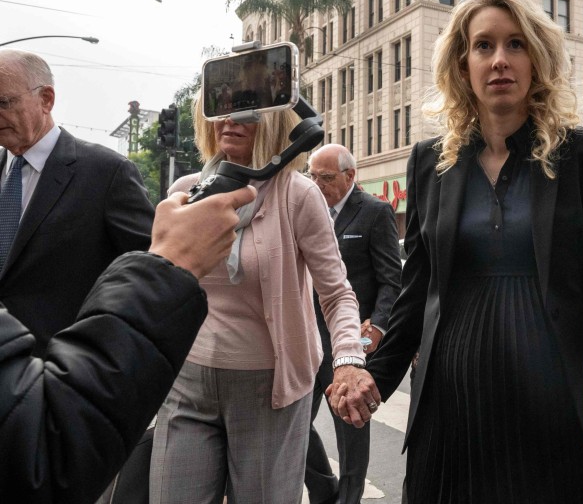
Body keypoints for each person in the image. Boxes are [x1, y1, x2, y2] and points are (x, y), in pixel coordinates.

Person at [338, 0, 583, 503]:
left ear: (537, 59)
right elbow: (418, 293)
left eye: (516, 44)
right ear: (463, 65)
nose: (499, 59)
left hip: (558, 408)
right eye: (483, 46)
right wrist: (372, 379)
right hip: (452, 413)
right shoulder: (429, 162)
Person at [149, 102, 380, 502]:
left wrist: (347, 360)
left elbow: (336, 292)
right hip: (187, 382)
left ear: (273, 119)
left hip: (271, 390)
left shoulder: (298, 194)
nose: (230, 120)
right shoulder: (184, 192)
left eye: (248, 111)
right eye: (221, 107)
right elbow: (163, 288)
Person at [0, 183, 256, 504]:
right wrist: (170, 262)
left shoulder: (106, 174)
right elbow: (42, 454)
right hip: (102, 381)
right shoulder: (183, 191)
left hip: (258, 378)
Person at [0, 50, 153, 355]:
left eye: (3, 102)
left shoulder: (107, 172)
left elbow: (148, 272)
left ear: (46, 99)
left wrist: (104, 345)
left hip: (65, 366)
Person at [304, 144, 401, 504]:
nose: (317, 184)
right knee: (293, 426)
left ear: (349, 176)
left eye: (326, 177)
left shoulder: (374, 212)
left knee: (351, 430)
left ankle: (349, 498)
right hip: (305, 340)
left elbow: (392, 280)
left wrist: (378, 326)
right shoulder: (305, 209)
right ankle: (323, 488)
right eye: (312, 176)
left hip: (350, 343)